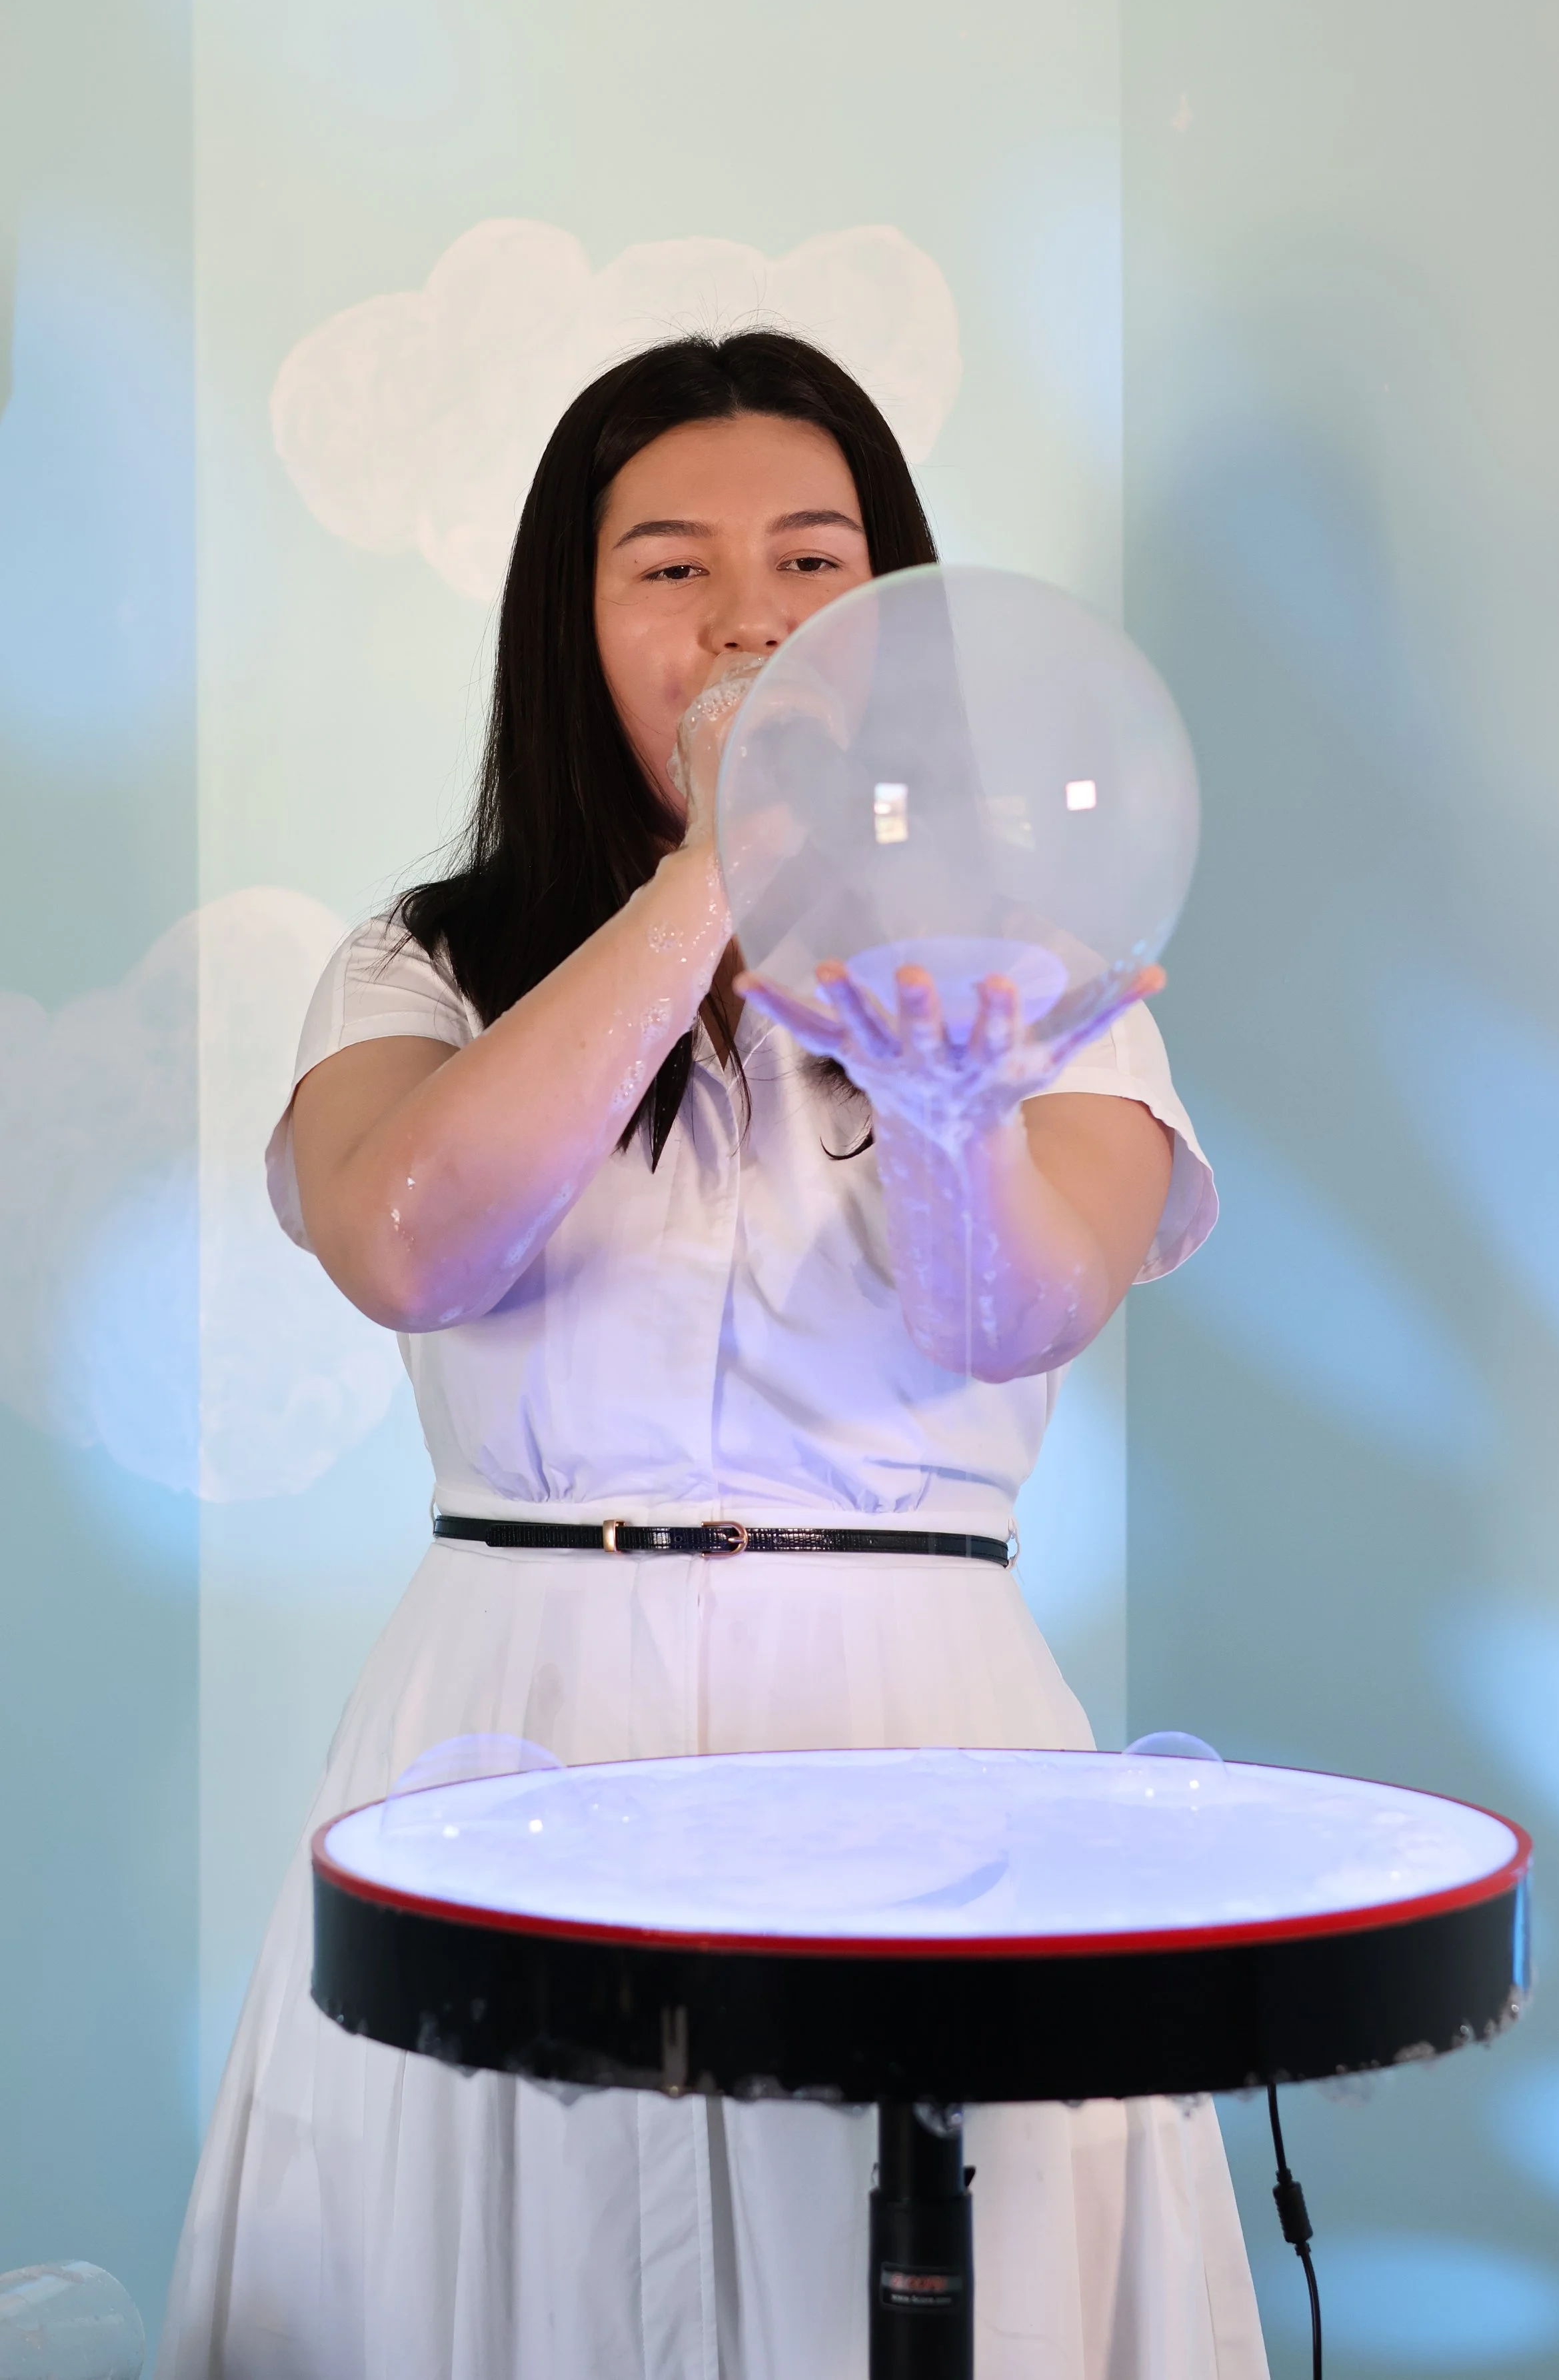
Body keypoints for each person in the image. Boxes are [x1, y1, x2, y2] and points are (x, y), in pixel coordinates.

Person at [158, 332, 1267, 2380]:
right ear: (571, 629)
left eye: (812, 560)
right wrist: (713, 880)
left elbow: (1010, 1314)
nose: (747, 615)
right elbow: (404, 1238)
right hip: (511, 1724)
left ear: (900, 613)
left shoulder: (1032, 966)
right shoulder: (425, 960)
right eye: (667, 569)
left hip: (911, 1720)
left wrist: (946, 1098)